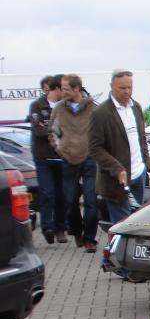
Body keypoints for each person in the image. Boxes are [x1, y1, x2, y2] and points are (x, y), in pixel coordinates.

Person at [89, 69, 150, 241]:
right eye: (122, 88)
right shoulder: (101, 113)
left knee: (136, 223)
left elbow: (141, 138)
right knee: (123, 228)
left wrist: (146, 163)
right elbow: (95, 148)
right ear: (112, 86)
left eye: (130, 87)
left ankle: (128, 253)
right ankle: (119, 256)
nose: (127, 91)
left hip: (138, 174)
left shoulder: (136, 107)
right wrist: (116, 169)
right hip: (117, 180)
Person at [49, 74, 98, 248]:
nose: (62, 92)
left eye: (66, 89)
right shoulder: (59, 108)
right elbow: (52, 131)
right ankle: (77, 232)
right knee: (70, 201)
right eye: (62, 89)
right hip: (68, 159)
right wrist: (60, 150)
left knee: (91, 201)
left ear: (76, 88)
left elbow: (100, 132)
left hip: (90, 158)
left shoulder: (93, 107)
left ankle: (90, 238)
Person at [27, 75, 67, 244]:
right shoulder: (37, 105)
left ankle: (60, 229)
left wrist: (50, 129)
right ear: (56, 89)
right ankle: (47, 228)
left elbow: (69, 129)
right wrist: (56, 131)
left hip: (61, 156)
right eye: (63, 89)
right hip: (43, 156)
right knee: (47, 193)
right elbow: (38, 130)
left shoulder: (64, 107)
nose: (66, 93)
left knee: (62, 195)